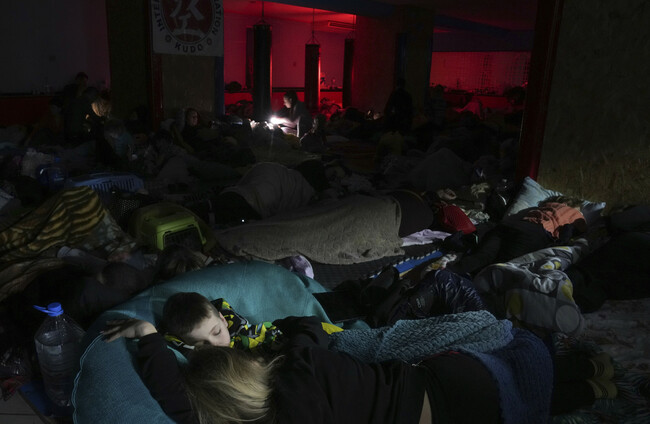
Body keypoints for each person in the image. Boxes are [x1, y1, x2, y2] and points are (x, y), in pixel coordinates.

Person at [448, 195, 588, 276]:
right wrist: (562, 243)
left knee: (481, 257)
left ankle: (444, 276)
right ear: (569, 204)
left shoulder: (546, 205)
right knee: (501, 268)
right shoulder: (575, 213)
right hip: (532, 233)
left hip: (508, 226)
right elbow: (571, 228)